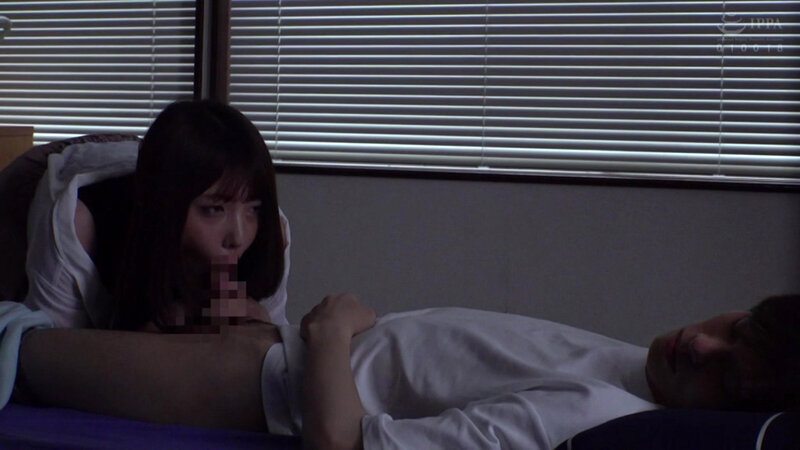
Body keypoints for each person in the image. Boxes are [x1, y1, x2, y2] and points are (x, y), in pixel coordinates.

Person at [11, 293, 800, 449]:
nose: (703, 347)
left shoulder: (589, 414)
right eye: (734, 330)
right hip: (273, 352)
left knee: (20, 350)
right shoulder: (635, 368)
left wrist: (330, 329)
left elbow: (343, 443)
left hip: (262, 388)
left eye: (726, 374)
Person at [23, 100, 291, 331]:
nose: (239, 237)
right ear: (167, 206)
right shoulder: (79, 222)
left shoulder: (268, 229)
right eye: (214, 210)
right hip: (54, 171)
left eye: (253, 209)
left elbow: (273, 351)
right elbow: (48, 351)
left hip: (154, 161)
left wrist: (260, 324)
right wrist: (157, 339)